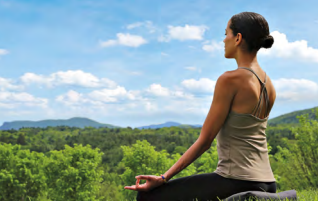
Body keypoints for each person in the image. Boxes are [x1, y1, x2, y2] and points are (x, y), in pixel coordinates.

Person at [124, 11, 277, 201]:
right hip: (268, 183)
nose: (223, 41)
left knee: (147, 196)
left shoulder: (231, 80)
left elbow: (205, 142)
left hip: (236, 181)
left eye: (226, 34)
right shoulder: (268, 84)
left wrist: (163, 178)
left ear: (238, 38)